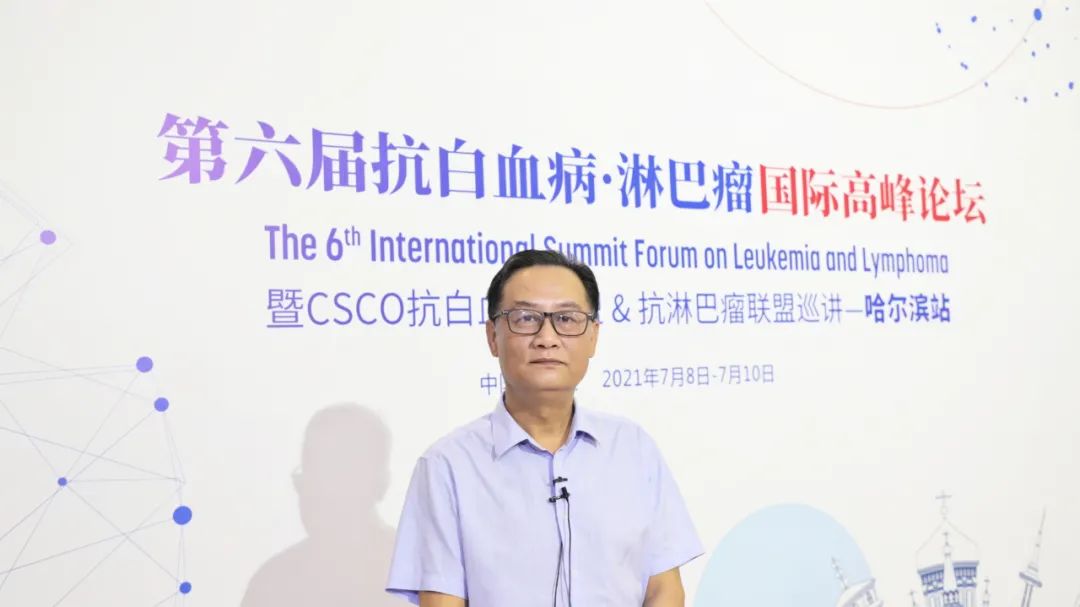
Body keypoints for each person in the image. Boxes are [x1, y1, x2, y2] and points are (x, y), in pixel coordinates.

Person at [386, 250, 702, 606]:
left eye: (567, 319)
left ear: (593, 336)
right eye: (525, 318)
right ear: (492, 336)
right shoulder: (448, 466)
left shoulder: (633, 448)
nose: (547, 338)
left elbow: (663, 589)